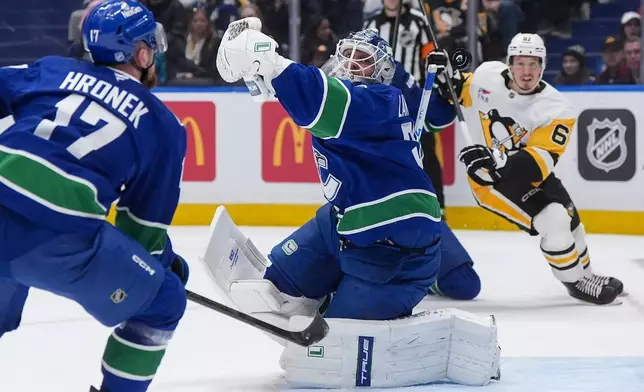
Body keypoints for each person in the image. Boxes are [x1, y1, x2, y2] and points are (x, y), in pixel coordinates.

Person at [209, 19, 500, 389]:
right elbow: (310, 95)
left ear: (379, 71)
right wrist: (267, 76)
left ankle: (392, 298)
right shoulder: (349, 96)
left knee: (332, 345)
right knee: (276, 285)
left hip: (397, 243)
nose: (350, 64)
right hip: (347, 221)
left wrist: (271, 61)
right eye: (345, 55)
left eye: (361, 60)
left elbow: (319, 102)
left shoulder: (380, 100)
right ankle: (335, 288)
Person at [0, 1, 189, 391]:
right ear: (141, 53)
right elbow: (142, 232)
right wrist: (164, 266)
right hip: (55, 236)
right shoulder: (162, 124)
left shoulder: (51, 70)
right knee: (163, 302)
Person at [431, 33, 624, 305]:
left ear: (543, 67)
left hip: (528, 172)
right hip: (490, 182)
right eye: (520, 63)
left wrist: (498, 158)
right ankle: (575, 282)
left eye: (533, 64)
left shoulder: (557, 108)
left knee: (572, 222)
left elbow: (538, 164)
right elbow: (457, 90)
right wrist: (443, 74)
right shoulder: (487, 76)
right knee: (555, 220)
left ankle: (585, 274)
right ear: (509, 63)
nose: (526, 72)